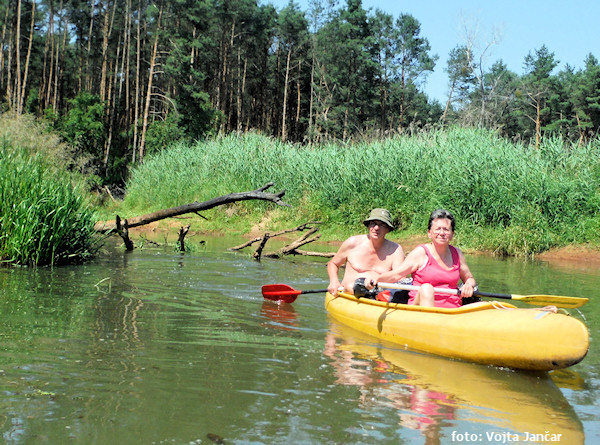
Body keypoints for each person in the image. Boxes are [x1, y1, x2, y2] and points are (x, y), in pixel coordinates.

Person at [367, 209, 476, 308]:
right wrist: (375, 281)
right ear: (429, 233)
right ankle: (429, 324)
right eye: (437, 229)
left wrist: (468, 285)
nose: (442, 233)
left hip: (452, 309)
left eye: (446, 230)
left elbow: (469, 278)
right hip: (421, 307)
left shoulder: (457, 253)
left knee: (488, 306)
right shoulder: (420, 253)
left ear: (452, 234)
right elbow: (396, 274)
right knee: (427, 288)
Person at [327, 208, 405, 296]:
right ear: (368, 226)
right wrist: (334, 282)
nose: (376, 228)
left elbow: (400, 278)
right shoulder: (353, 243)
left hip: (378, 296)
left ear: (388, 229)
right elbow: (333, 264)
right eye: (373, 224)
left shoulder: (396, 250)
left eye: (382, 225)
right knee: (349, 286)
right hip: (348, 294)